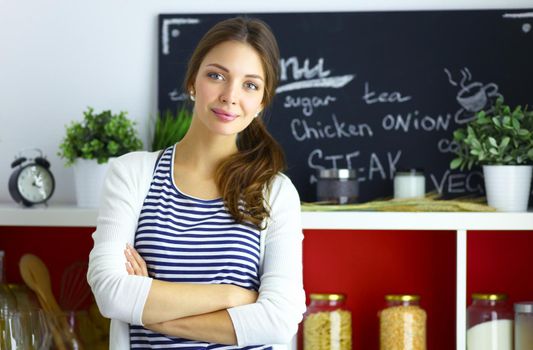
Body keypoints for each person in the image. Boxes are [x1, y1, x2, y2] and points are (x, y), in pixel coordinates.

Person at [87, 16, 306, 349]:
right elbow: (111, 292)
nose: (230, 96)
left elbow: (279, 320)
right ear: (192, 82)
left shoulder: (274, 192)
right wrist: (234, 296)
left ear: (262, 101)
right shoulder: (132, 174)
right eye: (216, 76)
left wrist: (147, 308)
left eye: (250, 84)